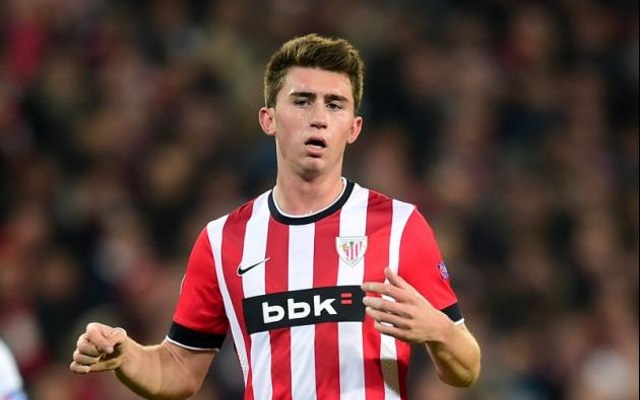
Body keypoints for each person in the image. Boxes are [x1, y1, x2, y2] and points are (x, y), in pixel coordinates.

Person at [69, 33, 481, 399]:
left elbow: (466, 369)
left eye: (334, 104)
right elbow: (179, 369)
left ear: (354, 128)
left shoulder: (400, 226)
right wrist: (126, 357)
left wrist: (441, 332)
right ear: (269, 119)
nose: (318, 117)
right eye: (302, 101)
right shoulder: (222, 241)